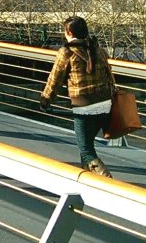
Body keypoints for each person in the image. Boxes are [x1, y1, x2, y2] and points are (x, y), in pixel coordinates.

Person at [40, 15, 115, 178]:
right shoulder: (98, 49)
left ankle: (107, 180)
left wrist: (45, 100)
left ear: (69, 32)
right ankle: (89, 180)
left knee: (86, 150)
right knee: (87, 143)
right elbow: (109, 75)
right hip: (105, 102)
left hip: (84, 105)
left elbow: (55, 80)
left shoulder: (66, 51)